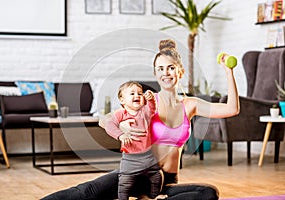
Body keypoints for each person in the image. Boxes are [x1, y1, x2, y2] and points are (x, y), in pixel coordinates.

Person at [41, 39, 239, 200]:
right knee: (86, 192)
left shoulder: (190, 105)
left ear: (180, 72)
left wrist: (229, 73)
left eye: (170, 68)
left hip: (165, 182)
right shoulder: (146, 101)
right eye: (160, 69)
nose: (165, 73)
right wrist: (122, 131)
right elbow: (104, 119)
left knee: (208, 193)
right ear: (155, 73)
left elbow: (232, 109)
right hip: (134, 174)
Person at [105, 81, 162, 200]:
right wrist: (120, 135)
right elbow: (109, 125)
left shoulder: (145, 112)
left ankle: (153, 197)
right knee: (125, 183)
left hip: (148, 155)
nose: (137, 96)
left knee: (157, 177)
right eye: (132, 93)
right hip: (130, 158)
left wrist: (151, 99)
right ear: (122, 100)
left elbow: (153, 108)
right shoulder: (120, 114)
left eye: (140, 93)